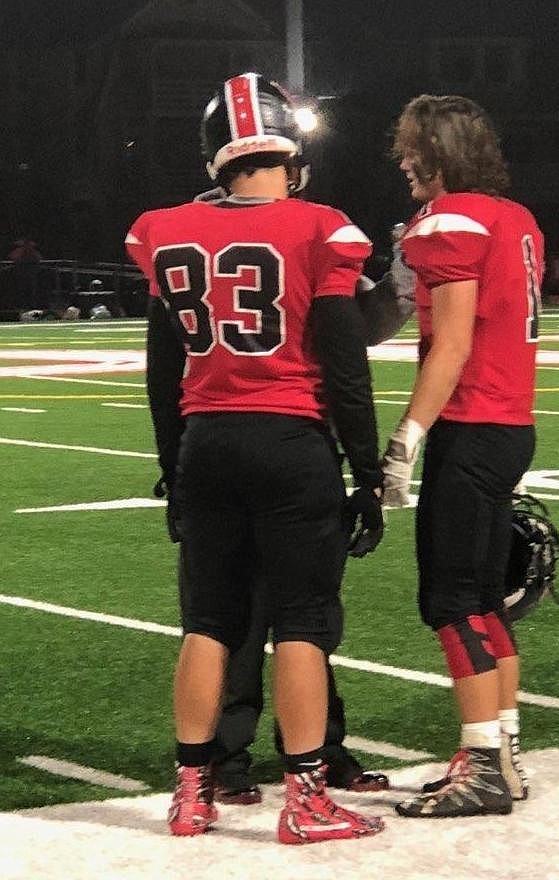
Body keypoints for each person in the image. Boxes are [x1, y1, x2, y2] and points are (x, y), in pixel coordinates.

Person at [127, 72, 385, 844]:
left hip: (206, 443)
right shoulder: (321, 228)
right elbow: (345, 365)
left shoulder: (163, 230)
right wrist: (367, 473)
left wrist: (174, 467)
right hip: (289, 441)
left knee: (208, 620)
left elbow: (159, 370)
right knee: (301, 623)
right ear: (289, 147)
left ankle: (191, 794)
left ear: (215, 153)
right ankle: (305, 800)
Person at [381, 94, 543, 818]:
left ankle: (482, 766)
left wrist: (406, 437)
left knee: (451, 600)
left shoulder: (450, 221)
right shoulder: (515, 218)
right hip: (511, 423)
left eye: (414, 146)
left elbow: (451, 344)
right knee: (483, 599)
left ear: (440, 150)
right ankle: (502, 752)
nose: (403, 159)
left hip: (471, 422)